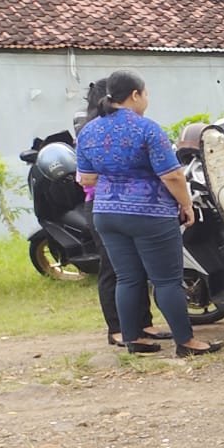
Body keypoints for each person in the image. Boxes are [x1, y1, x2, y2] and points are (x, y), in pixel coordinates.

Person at [75, 70, 220, 357]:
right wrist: (186, 205)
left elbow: (86, 179)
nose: (147, 99)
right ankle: (186, 341)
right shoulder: (147, 129)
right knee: (167, 279)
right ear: (135, 95)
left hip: (105, 212)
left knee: (127, 278)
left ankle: (134, 339)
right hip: (150, 213)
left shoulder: (89, 131)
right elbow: (173, 176)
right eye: (146, 94)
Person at [74, 85, 168, 347]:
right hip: (101, 206)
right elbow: (83, 178)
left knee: (137, 268)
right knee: (113, 270)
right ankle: (116, 328)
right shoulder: (91, 132)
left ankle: (143, 323)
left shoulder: (129, 128)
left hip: (130, 207)